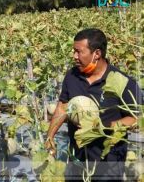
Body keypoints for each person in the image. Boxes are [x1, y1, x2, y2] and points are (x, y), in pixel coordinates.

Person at [45, 28, 143, 181]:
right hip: (77, 158)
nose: (74, 56)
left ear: (96, 54)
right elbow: (62, 107)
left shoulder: (123, 82)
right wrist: (50, 135)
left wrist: (103, 127)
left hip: (108, 162)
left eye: (79, 52)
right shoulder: (72, 76)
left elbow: (135, 118)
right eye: (73, 51)